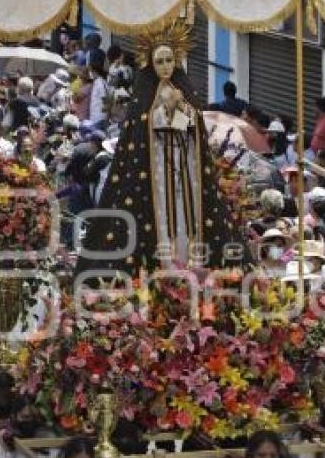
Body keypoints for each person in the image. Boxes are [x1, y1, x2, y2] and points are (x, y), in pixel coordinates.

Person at [76, 27, 247, 274]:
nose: (165, 66)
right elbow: (141, 130)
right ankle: (166, 266)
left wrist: (180, 108)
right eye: (160, 61)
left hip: (186, 166)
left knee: (187, 213)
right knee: (162, 218)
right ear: (151, 64)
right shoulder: (144, 94)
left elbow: (194, 129)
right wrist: (163, 111)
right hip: (155, 169)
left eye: (169, 60)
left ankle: (190, 262)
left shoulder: (185, 92)